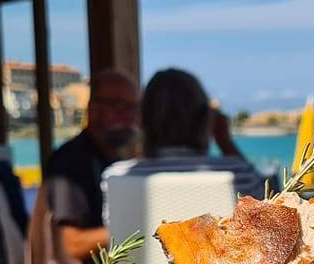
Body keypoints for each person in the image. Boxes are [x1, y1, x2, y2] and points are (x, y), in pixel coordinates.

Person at [109, 68, 266, 198]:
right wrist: (225, 141)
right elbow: (269, 213)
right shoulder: (239, 172)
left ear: (142, 118)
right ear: (205, 119)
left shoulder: (116, 176)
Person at [45, 68, 141, 262]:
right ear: (94, 109)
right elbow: (71, 245)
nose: (130, 117)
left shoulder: (109, 158)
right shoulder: (72, 161)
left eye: (134, 108)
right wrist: (140, 228)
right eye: (119, 106)